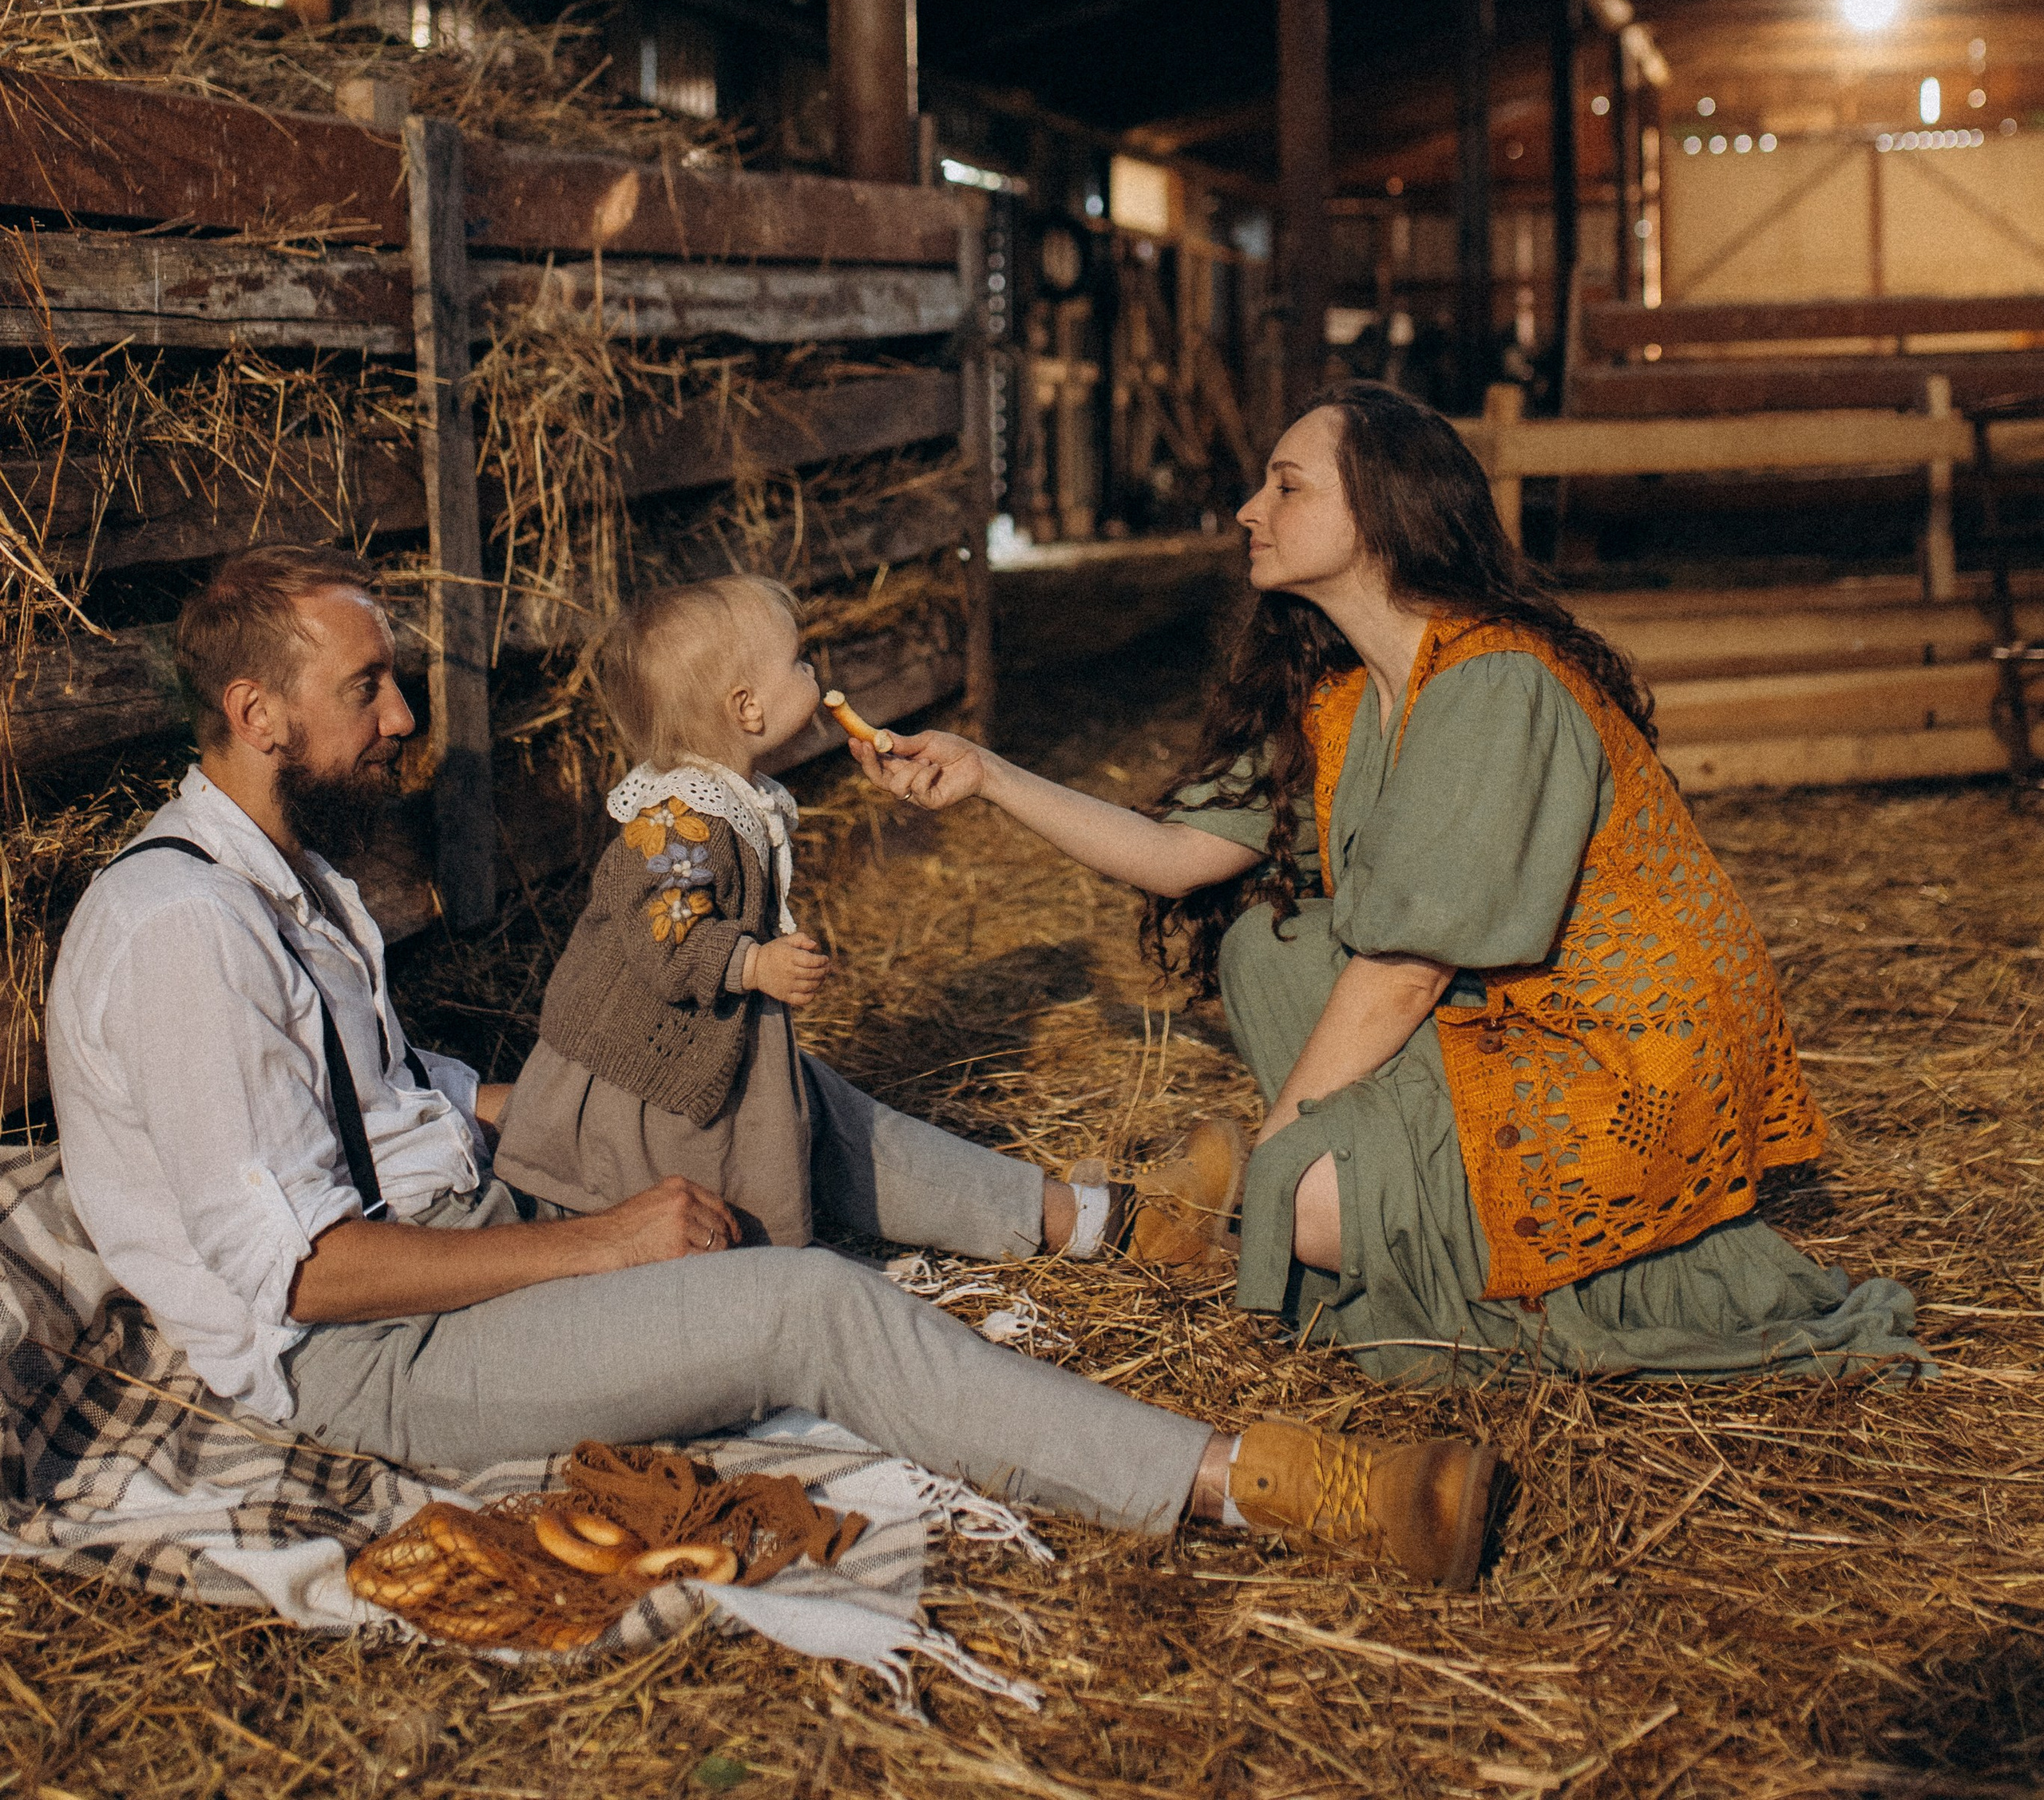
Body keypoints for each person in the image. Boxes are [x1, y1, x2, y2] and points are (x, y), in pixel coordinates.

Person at [42, 542, 1501, 1589]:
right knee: (812, 1308)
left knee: (750, 1074)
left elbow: (389, 1099)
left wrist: (592, 1094)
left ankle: (1119, 1223)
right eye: (369, 689)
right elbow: (299, 1274)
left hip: (476, 1220)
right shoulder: (181, 932)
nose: (406, 718)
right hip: (377, 1360)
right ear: (257, 715)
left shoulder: (296, 885)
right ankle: (1261, 1484)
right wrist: (606, 1245)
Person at [861, 386, 1925, 1385]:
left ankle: (1425, 1227)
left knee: (1308, 1200)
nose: (1247, 509)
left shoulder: (1494, 681)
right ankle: (1366, 1192)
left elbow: (1408, 972)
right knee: (1265, 948)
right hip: (1514, 1026)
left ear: (1380, 515)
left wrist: (1280, 1157)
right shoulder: (1344, 697)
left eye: (1287, 485)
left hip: (1621, 1061)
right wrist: (986, 774)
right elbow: (1179, 855)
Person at [494, 573, 1119, 1262]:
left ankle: (1068, 1221)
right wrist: (752, 962)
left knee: (806, 1127)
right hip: (651, 1078)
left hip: (709, 1047)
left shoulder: (736, 799)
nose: (814, 672)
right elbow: (663, 933)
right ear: (748, 707)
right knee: (715, 1186)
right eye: (798, 660)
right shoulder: (678, 818)